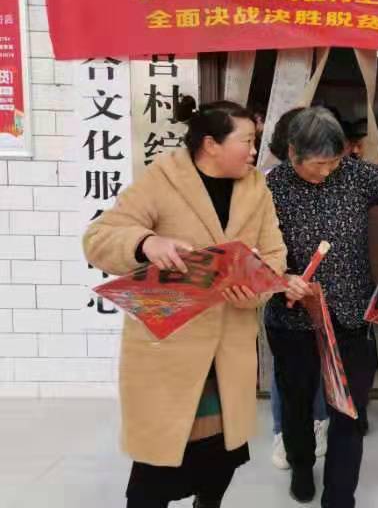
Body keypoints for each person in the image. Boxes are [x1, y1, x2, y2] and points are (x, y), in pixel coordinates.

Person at [83, 98, 300, 508]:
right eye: (247, 141)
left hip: (228, 348)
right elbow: (98, 238)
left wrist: (255, 289)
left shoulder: (256, 188)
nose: (254, 151)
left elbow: (274, 255)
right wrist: (146, 243)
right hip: (171, 349)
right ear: (211, 144)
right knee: (156, 468)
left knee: (222, 458)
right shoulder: (163, 179)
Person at [265, 106, 378, 507]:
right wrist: (280, 278)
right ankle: (302, 466)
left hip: (350, 314)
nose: (328, 171)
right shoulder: (269, 187)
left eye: (334, 162)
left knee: (349, 410)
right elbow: (249, 250)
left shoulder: (353, 173)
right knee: (297, 401)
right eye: (319, 164)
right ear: (293, 152)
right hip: (292, 315)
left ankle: (339, 496)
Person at [265, 107, 330, 470]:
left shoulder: (332, 177)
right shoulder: (266, 185)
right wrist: (280, 278)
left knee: (315, 366)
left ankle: (316, 423)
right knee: (287, 373)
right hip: (283, 297)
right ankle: (282, 431)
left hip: (319, 299)